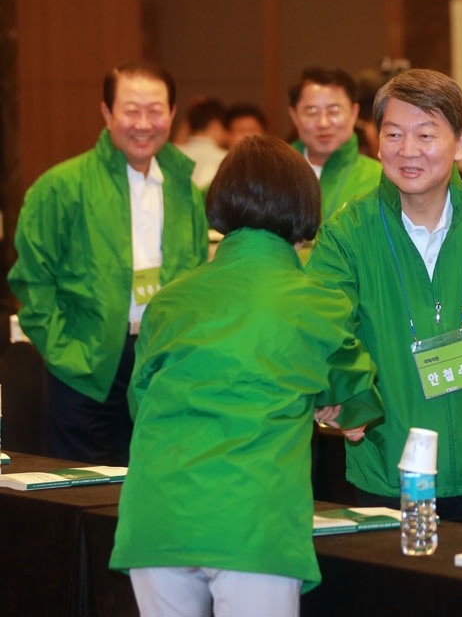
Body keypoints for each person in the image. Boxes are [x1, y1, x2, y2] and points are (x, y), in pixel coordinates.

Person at [110, 135, 383, 617]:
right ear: (305, 209)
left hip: (158, 515)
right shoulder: (316, 301)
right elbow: (356, 405)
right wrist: (335, 407)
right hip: (252, 519)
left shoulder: (170, 299)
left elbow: (140, 402)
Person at [306, 68, 462, 530]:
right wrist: (348, 401)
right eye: (394, 135)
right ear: (377, 141)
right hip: (384, 469)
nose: (408, 151)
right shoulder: (348, 232)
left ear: (461, 142)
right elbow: (320, 325)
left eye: (426, 134)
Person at [8, 59, 208, 466]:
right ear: (106, 113)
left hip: (158, 360)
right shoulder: (61, 186)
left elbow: (198, 275)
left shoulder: (186, 190)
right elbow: (32, 280)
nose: (143, 123)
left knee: (148, 484)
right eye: (131, 110)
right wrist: (63, 352)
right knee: (82, 490)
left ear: (172, 113)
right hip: (84, 362)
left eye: (155, 111)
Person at [287, 66, 382, 223]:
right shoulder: (272, 178)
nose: (323, 123)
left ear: (353, 113)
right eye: (312, 112)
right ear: (294, 116)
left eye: (334, 111)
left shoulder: (380, 179)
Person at [176, 96, 228, 190]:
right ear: (215, 125)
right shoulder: (226, 159)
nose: (225, 135)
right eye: (224, 129)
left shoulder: (172, 154)